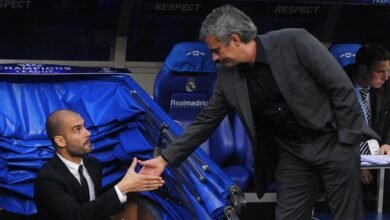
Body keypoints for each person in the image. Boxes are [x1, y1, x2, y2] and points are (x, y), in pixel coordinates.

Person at [139, 5, 369, 220]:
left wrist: (346, 143)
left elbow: (340, 88)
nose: (214, 58)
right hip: (293, 151)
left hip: (332, 141)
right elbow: (205, 122)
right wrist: (164, 160)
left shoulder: (296, 42)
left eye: (216, 50)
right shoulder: (227, 76)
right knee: (288, 216)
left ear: (235, 40)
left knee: (347, 215)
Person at [34, 109, 164, 220]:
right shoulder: (47, 179)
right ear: (61, 141)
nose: (88, 133)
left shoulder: (93, 165)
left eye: (84, 127)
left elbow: (96, 209)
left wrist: (132, 187)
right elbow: (76, 216)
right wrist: (122, 188)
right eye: (77, 130)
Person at [344, 43, 390, 185]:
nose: (386, 77)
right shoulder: (339, 87)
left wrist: (387, 143)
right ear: (363, 69)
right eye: (380, 72)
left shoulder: (386, 86)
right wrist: (359, 162)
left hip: (378, 151)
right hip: (348, 155)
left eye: (388, 71)